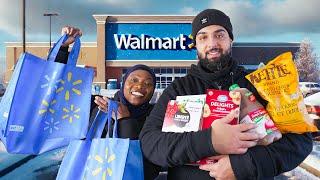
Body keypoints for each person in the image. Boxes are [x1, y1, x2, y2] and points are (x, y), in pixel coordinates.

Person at [139, 9, 313, 180]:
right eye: (203, 37)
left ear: (230, 39)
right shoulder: (179, 90)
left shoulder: (258, 85)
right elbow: (150, 143)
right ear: (195, 45)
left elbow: (300, 141)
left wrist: (245, 165)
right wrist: (210, 141)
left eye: (219, 35)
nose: (212, 43)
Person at [55, 27, 161, 180]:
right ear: (123, 83)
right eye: (134, 80)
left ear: (153, 90)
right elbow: (59, 90)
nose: (139, 87)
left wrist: (125, 120)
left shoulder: (156, 118)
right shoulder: (98, 105)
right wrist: (63, 49)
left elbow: (150, 170)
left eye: (148, 83)